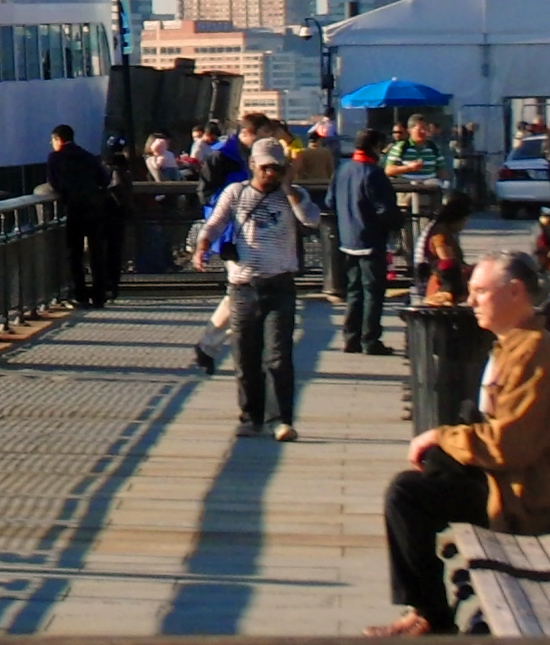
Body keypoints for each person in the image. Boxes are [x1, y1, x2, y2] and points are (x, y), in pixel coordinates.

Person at [370, 249, 550, 635]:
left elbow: (508, 446)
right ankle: (426, 612)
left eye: (481, 292)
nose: (471, 301)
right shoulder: (513, 346)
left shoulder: (535, 354)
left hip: (532, 499)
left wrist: (442, 436)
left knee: (407, 496)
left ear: (515, 291)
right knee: (419, 484)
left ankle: (430, 617)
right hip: (509, 483)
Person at [192, 137, 324, 440]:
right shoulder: (236, 193)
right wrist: (202, 246)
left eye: (276, 168)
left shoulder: (292, 195)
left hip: (279, 285)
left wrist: (289, 188)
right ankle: (251, 417)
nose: (269, 173)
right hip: (243, 287)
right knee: (245, 356)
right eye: (264, 167)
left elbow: (312, 220)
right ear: (252, 165)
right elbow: (215, 223)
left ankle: (280, 419)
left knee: (278, 356)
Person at [330, 131, 400, 356]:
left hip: (347, 239)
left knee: (354, 290)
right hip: (370, 239)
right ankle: (370, 339)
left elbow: (330, 201)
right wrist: (396, 223)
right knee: (373, 292)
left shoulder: (342, 170)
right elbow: (385, 209)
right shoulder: (374, 173)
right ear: (376, 146)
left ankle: (351, 338)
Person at [47, 124, 120, 309]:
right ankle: (99, 295)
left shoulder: (56, 157)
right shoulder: (88, 156)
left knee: (74, 253)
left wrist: (66, 193)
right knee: (97, 251)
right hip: (95, 207)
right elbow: (104, 179)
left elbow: (54, 182)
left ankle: (80, 294)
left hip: (74, 208)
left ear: (58, 139)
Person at [416, 194, 471, 306]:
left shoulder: (439, 228)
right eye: (464, 220)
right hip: (431, 277)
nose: (465, 224)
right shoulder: (439, 234)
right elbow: (446, 260)